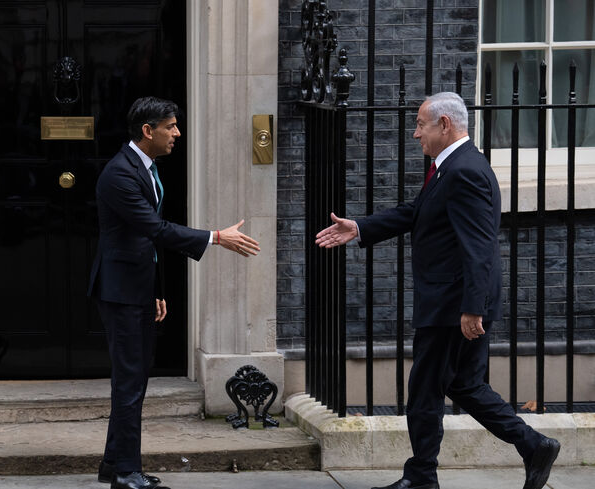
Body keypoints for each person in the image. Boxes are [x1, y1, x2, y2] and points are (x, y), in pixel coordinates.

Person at [314, 92, 560, 489]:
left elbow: (480, 246)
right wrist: (359, 228)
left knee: (425, 391)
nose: (416, 134)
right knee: (465, 384)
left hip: (453, 306)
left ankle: (422, 478)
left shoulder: (464, 171)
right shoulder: (452, 168)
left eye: (420, 125)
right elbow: (416, 212)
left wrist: (472, 308)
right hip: (456, 302)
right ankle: (533, 444)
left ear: (444, 124)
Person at [88, 96, 260, 489]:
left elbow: (144, 241)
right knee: (130, 382)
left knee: (133, 380)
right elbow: (156, 229)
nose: (177, 133)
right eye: (171, 126)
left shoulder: (142, 167)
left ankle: (114, 464)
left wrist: (156, 291)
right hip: (119, 292)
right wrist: (216, 237)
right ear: (147, 131)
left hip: (136, 288)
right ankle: (127, 473)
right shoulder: (120, 174)